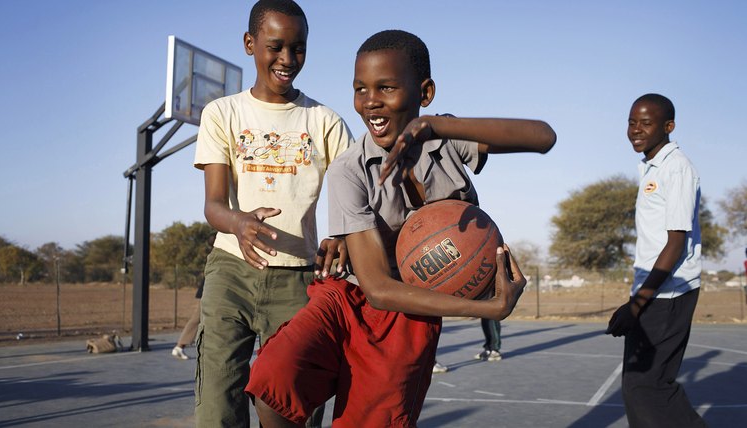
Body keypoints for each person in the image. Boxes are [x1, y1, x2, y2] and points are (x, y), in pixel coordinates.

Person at [246, 29, 556, 427]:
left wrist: (440, 126)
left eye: (386, 87)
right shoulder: (349, 169)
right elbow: (375, 287)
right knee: (275, 379)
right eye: (360, 89)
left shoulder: (447, 142)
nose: (370, 101)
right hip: (349, 296)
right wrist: (487, 308)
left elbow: (543, 136)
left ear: (424, 93)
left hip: (410, 313)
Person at [192, 1, 353, 426]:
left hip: (300, 276)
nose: (287, 59)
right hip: (231, 270)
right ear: (250, 44)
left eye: (297, 49)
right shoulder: (222, 113)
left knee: (291, 405)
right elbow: (213, 205)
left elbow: (352, 196)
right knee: (217, 403)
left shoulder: (325, 122)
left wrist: (340, 236)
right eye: (275, 46)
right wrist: (239, 221)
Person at [605, 93, 707, 427]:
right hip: (656, 291)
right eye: (632, 122)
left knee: (646, 387)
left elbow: (675, 243)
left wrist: (636, 306)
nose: (636, 129)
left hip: (669, 294)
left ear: (668, 126)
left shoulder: (676, 169)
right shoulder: (653, 166)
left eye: (646, 123)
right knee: (642, 386)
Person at [171, 280, 203, 360]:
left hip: (211, 290)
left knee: (198, 317)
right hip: (210, 291)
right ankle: (179, 347)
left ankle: (179, 347)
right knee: (198, 317)